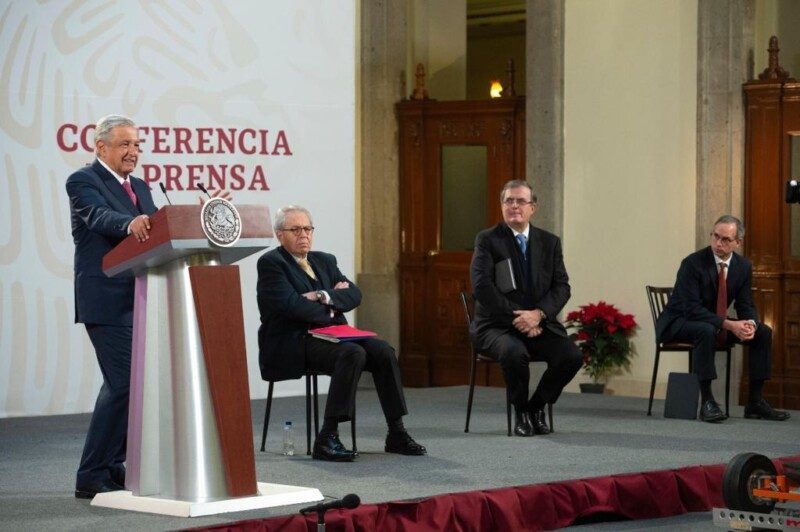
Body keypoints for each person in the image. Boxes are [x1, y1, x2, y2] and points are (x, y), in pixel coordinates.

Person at [67, 114, 230, 499]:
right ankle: (90, 472)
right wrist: (130, 223)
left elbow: (159, 230)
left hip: (144, 296)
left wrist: (202, 215)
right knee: (122, 383)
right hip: (106, 299)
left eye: (137, 145)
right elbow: (98, 216)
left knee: (138, 387)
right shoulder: (83, 180)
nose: (133, 152)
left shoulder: (139, 185)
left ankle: (112, 464)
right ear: (101, 146)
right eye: (125, 144)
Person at [257, 205, 425, 461]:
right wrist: (333, 304)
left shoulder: (325, 260)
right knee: (352, 353)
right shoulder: (271, 263)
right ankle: (327, 436)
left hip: (334, 334)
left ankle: (396, 432)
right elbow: (291, 307)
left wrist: (321, 295)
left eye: (307, 228)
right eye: (295, 229)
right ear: (279, 234)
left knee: (383, 351)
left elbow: (354, 294)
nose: (304, 234)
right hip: (294, 340)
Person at [470, 180, 582, 437]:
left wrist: (538, 315)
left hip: (540, 323)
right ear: (501, 206)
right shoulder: (487, 240)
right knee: (513, 352)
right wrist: (519, 319)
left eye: (521, 201)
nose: (514, 206)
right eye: (508, 200)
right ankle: (520, 412)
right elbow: (483, 288)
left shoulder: (549, 242)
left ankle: (536, 406)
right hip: (496, 326)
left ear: (533, 207)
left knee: (571, 356)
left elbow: (562, 287)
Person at [656, 215, 790, 423]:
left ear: (738, 242)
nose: (718, 243)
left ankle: (755, 402)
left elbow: (745, 304)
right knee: (705, 330)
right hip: (677, 322)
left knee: (763, 332)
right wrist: (729, 324)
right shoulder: (692, 263)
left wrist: (749, 324)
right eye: (715, 236)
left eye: (726, 239)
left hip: (711, 322)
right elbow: (691, 309)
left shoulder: (743, 266)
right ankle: (707, 401)